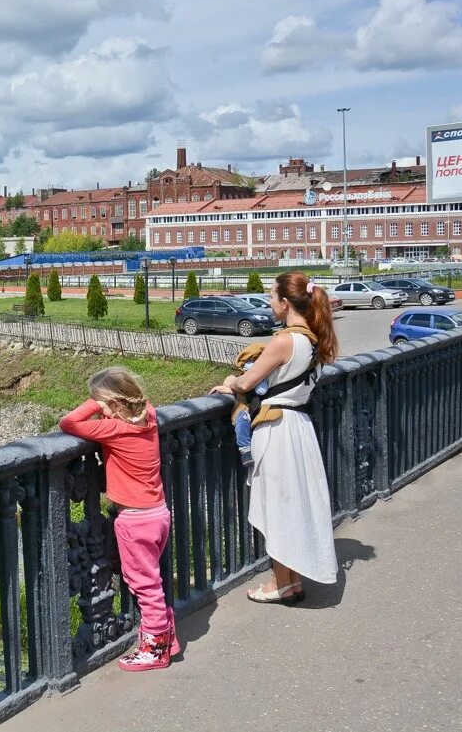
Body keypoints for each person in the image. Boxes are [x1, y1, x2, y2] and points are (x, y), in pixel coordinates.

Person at [211, 272, 340, 604]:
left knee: (279, 504)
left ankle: (281, 582)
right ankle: (292, 579)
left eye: (271, 297)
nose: (269, 303)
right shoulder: (314, 339)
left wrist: (230, 381)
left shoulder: (285, 340)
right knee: (294, 502)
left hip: (277, 428)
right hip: (299, 425)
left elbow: (247, 382)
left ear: (285, 303)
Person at [59, 367, 179, 671]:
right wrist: (109, 404)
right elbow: (141, 406)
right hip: (158, 512)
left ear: (113, 404)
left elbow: (69, 423)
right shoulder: (149, 417)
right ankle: (168, 638)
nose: (100, 411)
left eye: (101, 404)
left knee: (144, 584)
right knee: (154, 579)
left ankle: (155, 650)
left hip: (134, 520)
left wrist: (94, 407)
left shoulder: (112, 429)